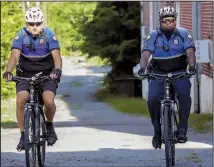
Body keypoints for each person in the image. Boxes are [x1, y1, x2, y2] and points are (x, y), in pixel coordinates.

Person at [3, 7, 62, 151]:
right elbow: (14, 55)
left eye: (37, 23)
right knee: (20, 100)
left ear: (42, 23)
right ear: (27, 23)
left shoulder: (49, 35)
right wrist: (8, 71)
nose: (34, 27)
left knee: (48, 101)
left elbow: (56, 56)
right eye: (31, 23)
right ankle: (23, 136)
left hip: (47, 74)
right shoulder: (21, 35)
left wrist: (57, 70)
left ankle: (49, 126)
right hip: (25, 74)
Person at [138, 6, 196, 149]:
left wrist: (192, 67)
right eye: (165, 21)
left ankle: (182, 130)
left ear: (175, 21)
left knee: (184, 95)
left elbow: (190, 53)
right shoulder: (153, 35)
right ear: (160, 22)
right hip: (158, 73)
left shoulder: (184, 33)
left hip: (179, 72)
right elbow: (146, 54)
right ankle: (157, 132)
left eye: (171, 20)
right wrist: (142, 68)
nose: (168, 23)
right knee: (152, 100)